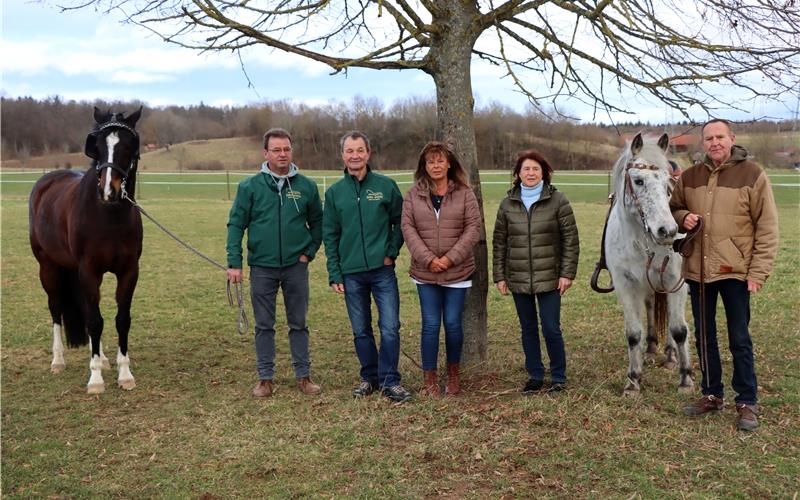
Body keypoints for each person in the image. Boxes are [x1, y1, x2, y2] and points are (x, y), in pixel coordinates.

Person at [670, 118, 778, 431]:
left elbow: (767, 227)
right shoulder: (689, 176)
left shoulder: (753, 174)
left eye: (720, 137)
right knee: (704, 337)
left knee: (739, 338)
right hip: (699, 270)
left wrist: (758, 271)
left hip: (736, 271)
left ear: (731, 138)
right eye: (708, 138)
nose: (715, 143)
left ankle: (746, 399)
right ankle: (712, 394)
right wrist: (682, 217)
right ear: (702, 143)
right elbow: (673, 208)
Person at [226, 127, 323, 398]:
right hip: (262, 267)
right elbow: (236, 224)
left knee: (298, 323)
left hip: (296, 267)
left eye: (287, 149)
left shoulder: (306, 186)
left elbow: (318, 222)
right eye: (277, 150)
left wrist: (309, 252)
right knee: (264, 325)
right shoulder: (250, 187)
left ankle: (303, 376)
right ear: (265, 153)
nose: (282, 154)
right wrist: (234, 262)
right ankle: (265, 378)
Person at [322, 131, 411, 403]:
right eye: (350, 151)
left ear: (368, 153)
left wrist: (390, 252)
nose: (355, 155)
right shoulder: (335, 193)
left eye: (359, 150)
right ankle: (369, 377)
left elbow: (401, 222)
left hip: (382, 271)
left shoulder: (385, 186)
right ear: (343, 155)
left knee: (389, 327)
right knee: (361, 329)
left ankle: (390, 380)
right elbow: (330, 235)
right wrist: (335, 272)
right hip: (351, 274)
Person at [492, 149, 579, 394]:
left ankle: (559, 377)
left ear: (544, 173)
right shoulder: (508, 203)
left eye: (535, 169)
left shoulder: (558, 200)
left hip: (550, 276)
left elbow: (570, 239)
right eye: (526, 169)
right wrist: (499, 275)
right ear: (518, 174)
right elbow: (499, 241)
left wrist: (567, 273)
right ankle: (535, 375)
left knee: (551, 327)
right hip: (518, 276)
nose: (530, 173)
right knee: (528, 328)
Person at [401, 142, 481, 397]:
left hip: (457, 272)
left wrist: (449, 259)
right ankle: (430, 379)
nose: (435, 166)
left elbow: (472, 228)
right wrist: (428, 259)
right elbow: (408, 228)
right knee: (431, 325)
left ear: (449, 164)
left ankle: (453, 375)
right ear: (424, 167)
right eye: (430, 162)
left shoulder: (465, 193)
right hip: (425, 273)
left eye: (439, 161)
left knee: (453, 324)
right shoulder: (413, 195)